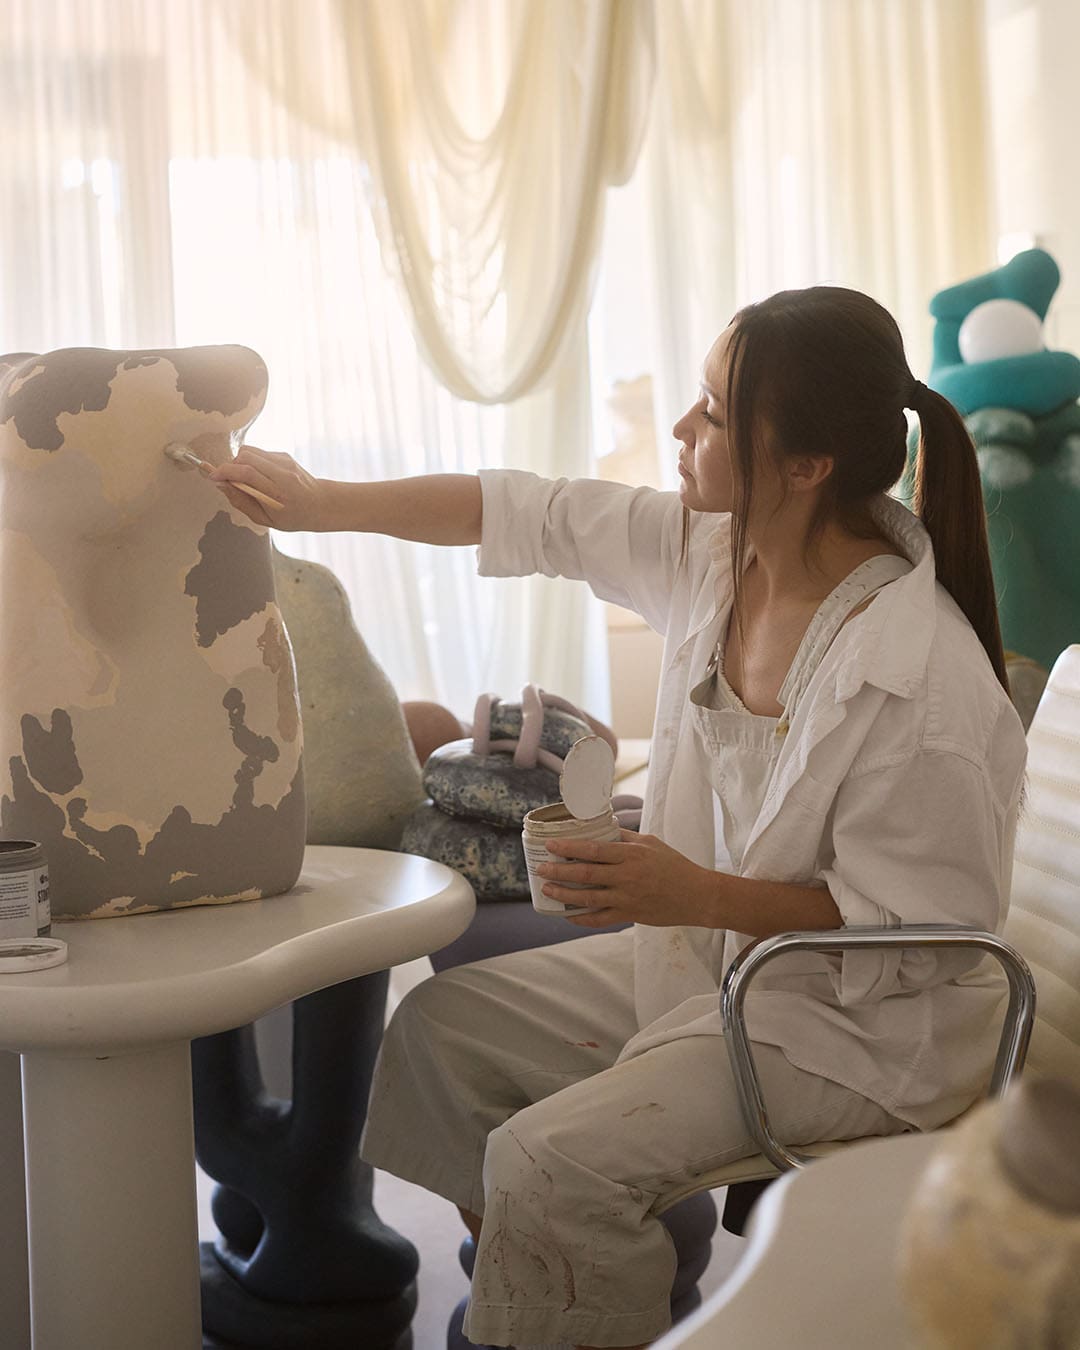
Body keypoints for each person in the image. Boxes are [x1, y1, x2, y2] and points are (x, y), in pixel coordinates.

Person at [210, 286, 1028, 1350]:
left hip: (854, 1030)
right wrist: (323, 502)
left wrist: (689, 891)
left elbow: (917, 931)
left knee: (551, 1161)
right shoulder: (713, 549)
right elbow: (524, 510)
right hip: (719, 961)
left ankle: (559, 1291)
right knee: (437, 1039)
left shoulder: (920, 683)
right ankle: (559, 1300)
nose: (683, 429)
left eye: (714, 411)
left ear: (807, 464)